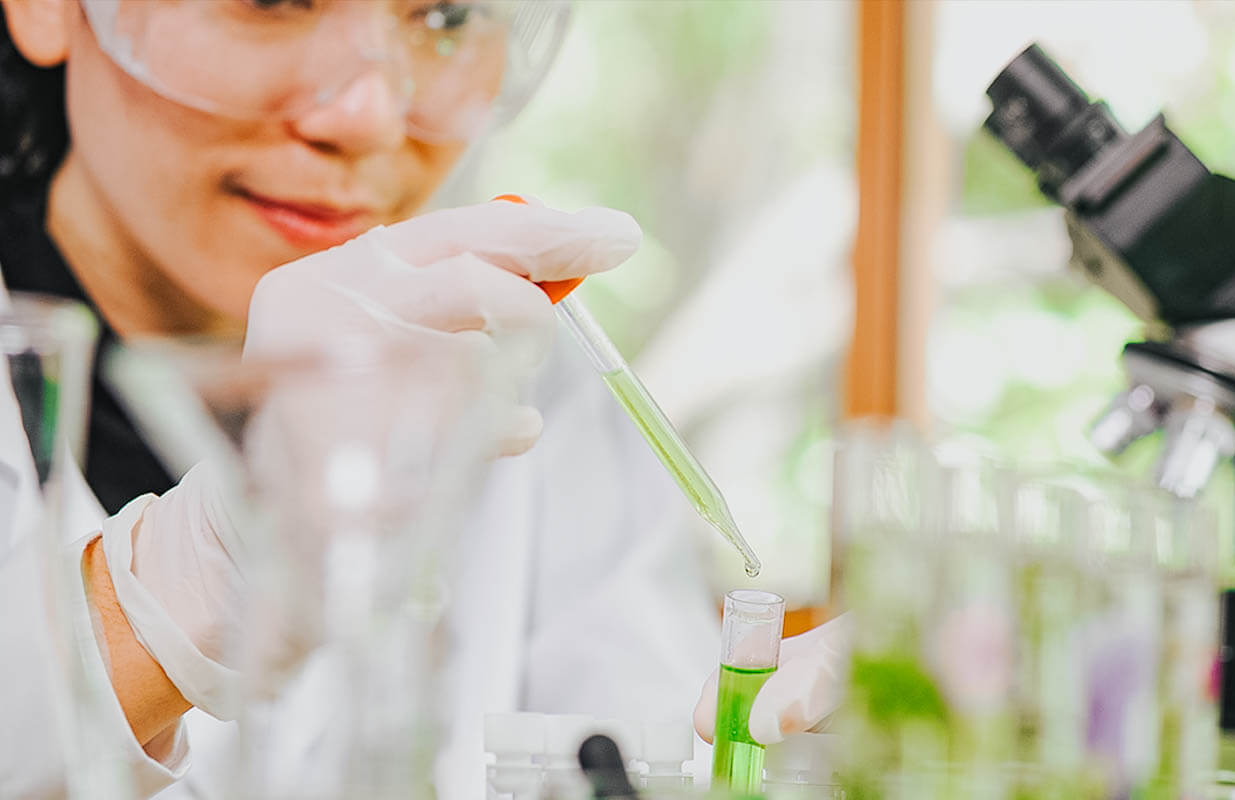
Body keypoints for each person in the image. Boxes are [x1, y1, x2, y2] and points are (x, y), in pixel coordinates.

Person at [0, 1, 718, 796]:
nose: (369, 118)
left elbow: (659, 744)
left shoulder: (532, 392)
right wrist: (182, 586)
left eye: (447, 14)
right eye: (272, 1)